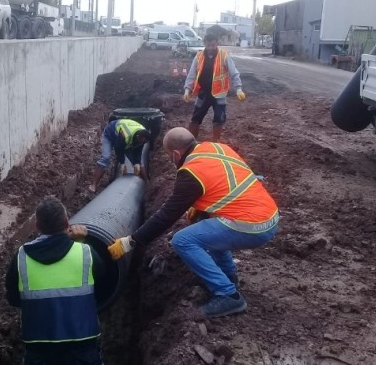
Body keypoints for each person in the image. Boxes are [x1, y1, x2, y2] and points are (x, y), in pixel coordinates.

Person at [107, 127, 279, 318]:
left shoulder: (190, 172)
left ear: (175, 154)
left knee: (183, 240)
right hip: (269, 217)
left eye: (169, 157)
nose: (172, 162)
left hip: (250, 226)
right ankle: (228, 276)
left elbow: (166, 215)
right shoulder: (218, 148)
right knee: (206, 225)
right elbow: (226, 182)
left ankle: (228, 295)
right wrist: (201, 207)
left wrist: (131, 241)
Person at [5, 196, 106, 365]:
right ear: (67, 223)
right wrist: (81, 242)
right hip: (82, 348)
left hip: (39, 350)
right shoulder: (86, 253)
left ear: (37, 226)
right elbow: (101, 286)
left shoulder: (22, 257)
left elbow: (13, 298)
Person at [183, 26, 246, 141]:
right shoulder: (199, 56)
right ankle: (191, 143)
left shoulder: (224, 56)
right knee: (195, 118)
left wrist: (239, 88)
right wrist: (187, 89)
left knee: (219, 119)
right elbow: (191, 74)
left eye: (213, 45)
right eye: (208, 45)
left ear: (217, 43)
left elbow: (234, 73)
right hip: (203, 93)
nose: (211, 48)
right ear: (204, 44)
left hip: (219, 95)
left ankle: (216, 142)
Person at [89, 118, 151, 192]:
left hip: (126, 141)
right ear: (138, 137)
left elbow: (138, 150)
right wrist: (122, 163)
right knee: (106, 157)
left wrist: (137, 163)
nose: (142, 143)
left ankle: (146, 183)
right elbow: (118, 148)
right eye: (141, 141)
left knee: (139, 162)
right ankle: (94, 184)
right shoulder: (125, 134)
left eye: (144, 142)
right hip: (110, 135)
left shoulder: (143, 136)